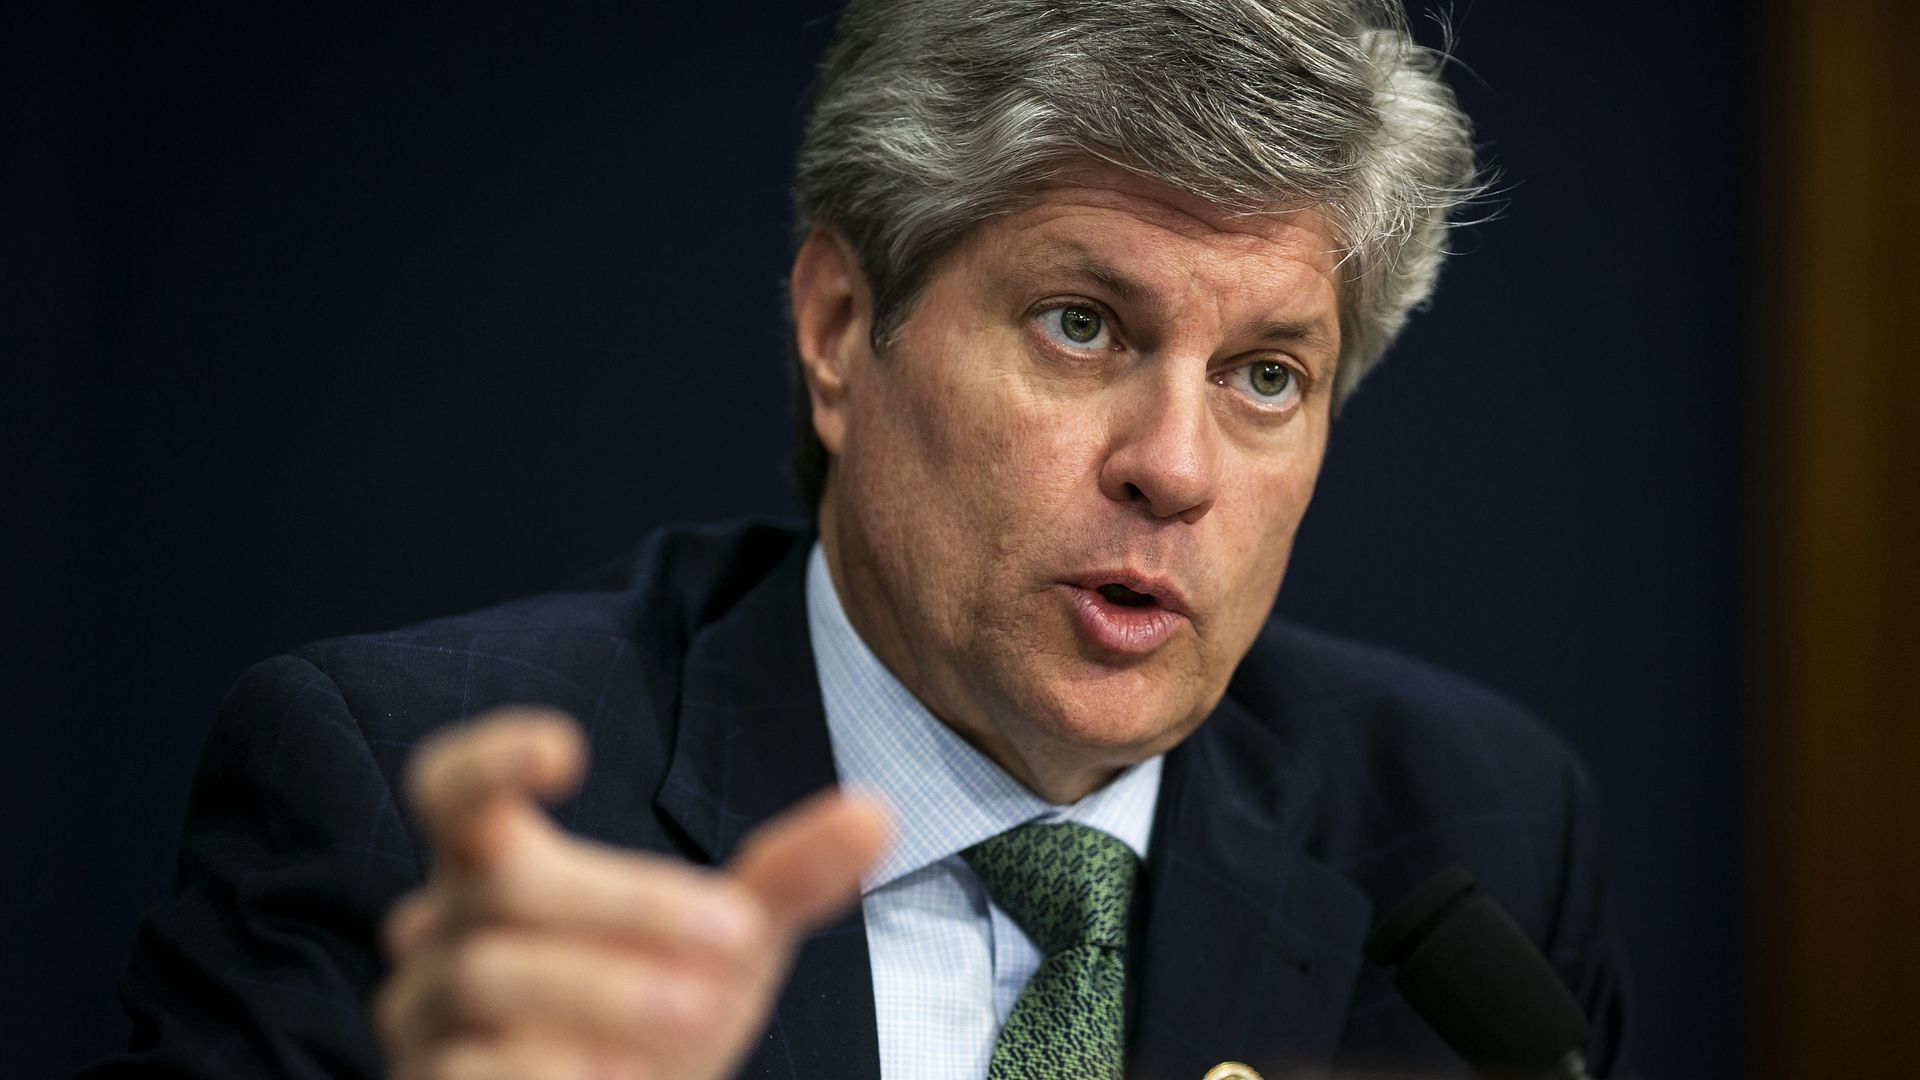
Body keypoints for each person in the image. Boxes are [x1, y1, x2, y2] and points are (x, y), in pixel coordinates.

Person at [85, 0, 1629, 1077]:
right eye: (1083, 324)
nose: (1174, 466)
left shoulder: (1472, 841)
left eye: (1266, 376)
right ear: (839, 326)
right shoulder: (423, 815)